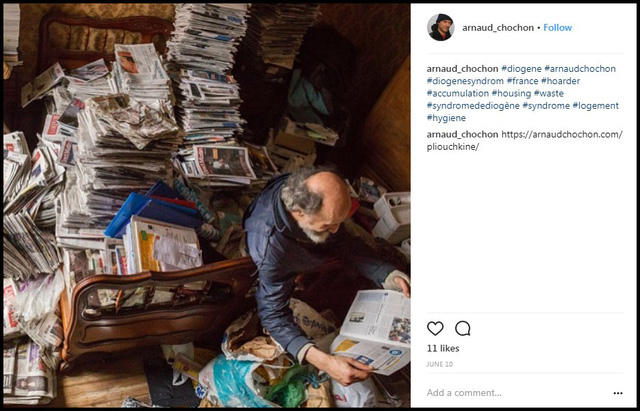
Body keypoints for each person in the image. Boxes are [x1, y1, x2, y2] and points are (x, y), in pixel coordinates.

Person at [243, 167, 411, 386]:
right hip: (287, 252)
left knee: (383, 261)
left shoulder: (307, 185)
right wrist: (325, 362)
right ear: (299, 213)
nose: (336, 229)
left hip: (310, 241)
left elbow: (344, 241)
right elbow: (272, 313)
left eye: (340, 221)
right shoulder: (271, 251)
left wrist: (387, 274)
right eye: (328, 225)